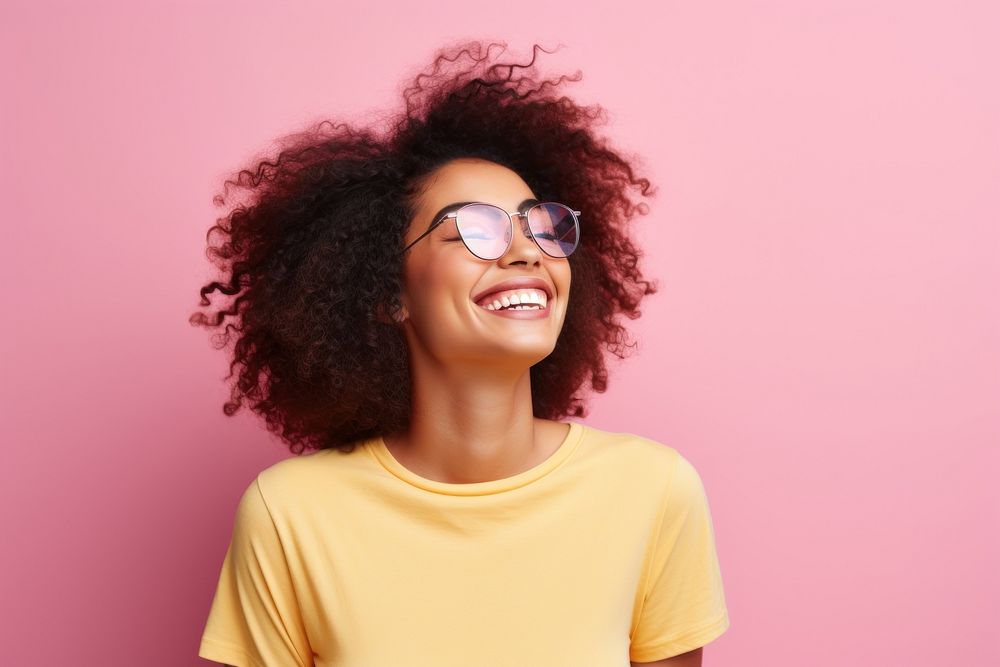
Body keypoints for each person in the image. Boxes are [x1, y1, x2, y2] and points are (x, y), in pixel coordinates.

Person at [191, 40, 729, 667]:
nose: (527, 251)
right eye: (475, 228)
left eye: (541, 225)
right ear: (390, 292)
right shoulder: (289, 517)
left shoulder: (653, 491)